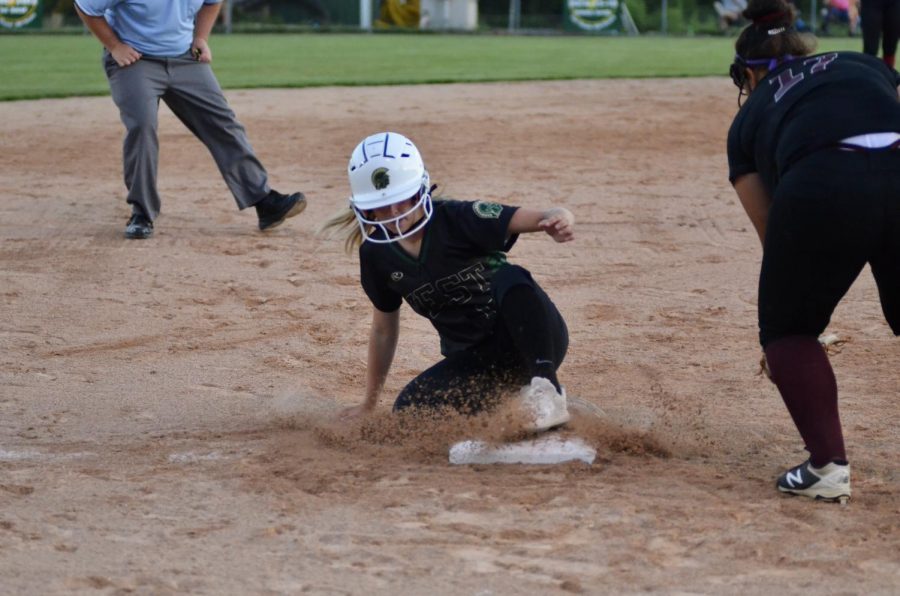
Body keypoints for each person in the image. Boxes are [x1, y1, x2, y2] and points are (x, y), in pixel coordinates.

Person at [726, 0, 900, 503]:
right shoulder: (862, 62)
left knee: (788, 327)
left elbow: (771, 230)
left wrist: (789, 336)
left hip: (823, 183)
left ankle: (826, 468)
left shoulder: (746, 122)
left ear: (749, 72)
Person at [320, 132, 574, 430]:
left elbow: (541, 216)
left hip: (535, 339)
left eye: (402, 200)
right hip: (478, 362)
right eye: (380, 205)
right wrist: (369, 402)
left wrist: (559, 217)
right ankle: (517, 405)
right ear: (363, 208)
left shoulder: (457, 218)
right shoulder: (376, 255)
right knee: (410, 410)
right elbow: (383, 330)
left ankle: (547, 391)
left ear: (420, 190)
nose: (393, 214)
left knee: (511, 276)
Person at [74, 0, 306, 239]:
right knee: (142, 126)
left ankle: (264, 201)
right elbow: (86, 7)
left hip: (185, 57)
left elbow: (212, 2)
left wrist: (200, 37)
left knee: (223, 123)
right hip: (136, 59)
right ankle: (142, 213)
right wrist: (114, 46)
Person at [860, 0, 900, 68]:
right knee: (870, 49)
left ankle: (888, 75)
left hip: (895, 3)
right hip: (870, 3)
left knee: (891, 47)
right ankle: (868, 75)